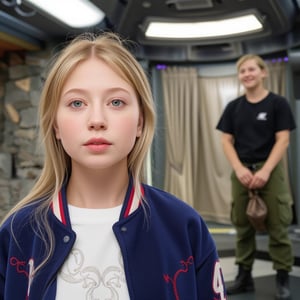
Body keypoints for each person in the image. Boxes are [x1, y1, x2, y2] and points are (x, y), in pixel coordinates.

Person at [0, 32, 227, 300]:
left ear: (140, 122)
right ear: (56, 125)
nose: (97, 119)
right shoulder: (18, 232)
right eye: (77, 103)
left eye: (116, 102)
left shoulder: (184, 225)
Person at [216, 54, 296, 300]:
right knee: (242, 226)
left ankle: (282, 276)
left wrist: (265, 170)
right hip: (241, 170)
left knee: (278, 226)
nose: (247, 74)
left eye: (252, 69)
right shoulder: (234, 107)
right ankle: (244, 276)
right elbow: (226, 140)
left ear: (263, 73)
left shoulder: (277, 103)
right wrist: (240, 169)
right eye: (242, 71)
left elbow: (283, 139)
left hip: (269, 170)